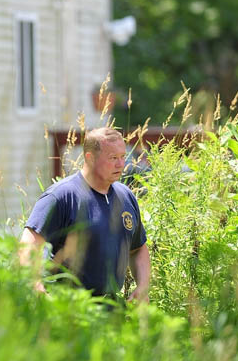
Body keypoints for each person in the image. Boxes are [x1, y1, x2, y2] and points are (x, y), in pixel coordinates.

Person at [19, 127, 151, 302]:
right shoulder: (62, 196)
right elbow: (28, 246)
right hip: (68, 307)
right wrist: (36, 287)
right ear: (90, 158)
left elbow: (138, 248)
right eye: (113, 158)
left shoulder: (125, 196)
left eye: (122, 157)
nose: (121, 164)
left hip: (112, 308)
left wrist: (142, 286)